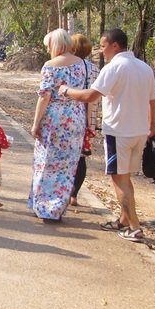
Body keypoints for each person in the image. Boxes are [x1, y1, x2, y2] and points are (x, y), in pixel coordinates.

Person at [60, 28, 155, 242]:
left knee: (118, 180)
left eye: (103, 45)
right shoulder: (144, 68)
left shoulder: (114, 67)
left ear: (115, 45)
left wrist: (66, 91)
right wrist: (154, 127)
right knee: (125, 178)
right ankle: (123, 221)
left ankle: (135, 227)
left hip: (119, 132)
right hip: (140, 132)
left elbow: (90, 96)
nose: (101, 50)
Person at [28, 28, 86, 222]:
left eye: (48, 46)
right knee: (67, 165)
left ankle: (45, 207)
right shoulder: (83, 65)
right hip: (76, 117)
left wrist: (36, 123)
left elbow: (44, 97)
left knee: (46, 163)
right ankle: (58, 207)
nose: (47, 50)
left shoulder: (50, 66)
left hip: (54, 119)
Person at [68, 33, 101, 206]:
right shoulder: (95, 69)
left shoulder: (68, 66)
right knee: (81, 158)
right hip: (88, 120)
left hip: (70, 118)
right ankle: (74, 195)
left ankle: (65, 193)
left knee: (67, 156)